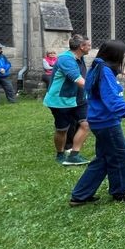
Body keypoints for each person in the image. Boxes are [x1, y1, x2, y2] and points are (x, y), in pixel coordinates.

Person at [70, 40, 125, 206]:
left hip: (98, 120)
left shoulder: (97, 67)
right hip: (106, 122)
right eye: (122, 55)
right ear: (115, 55)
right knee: (122, 157)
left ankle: (80, 195)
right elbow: (111, 98)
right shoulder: (105, 71)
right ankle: (121, 192)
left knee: (103, 159)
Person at [43, 34, 91, 165]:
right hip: (60, 100)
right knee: (62, 129)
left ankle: (74, 154)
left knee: (86, 124)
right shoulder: (66, 59)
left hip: (79, 98)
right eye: (89, 45)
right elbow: (78, 80)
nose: (90, 48)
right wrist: (98, 90)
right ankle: (60, 154)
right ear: (81, 46)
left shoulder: (79, 58)